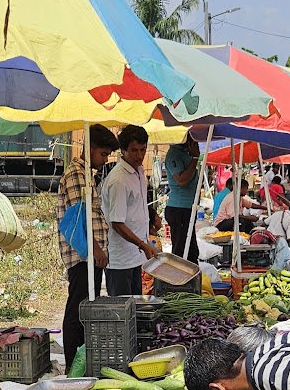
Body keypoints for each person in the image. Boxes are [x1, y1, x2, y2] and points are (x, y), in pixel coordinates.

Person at [57, 124, 118, 371]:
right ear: (90, 148)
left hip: (91, 255)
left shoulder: (87, 174)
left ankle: (82, 363)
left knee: (85, 310)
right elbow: (78, 217)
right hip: (83, 255)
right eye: (103, 154)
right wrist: (96, 250)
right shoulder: (76, 174)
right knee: (77, 311)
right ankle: (73, 366)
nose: (105, 160)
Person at [100, 124, 160, 295]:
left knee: (135, 306)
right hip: (120, 260)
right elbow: (117, 223)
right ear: (123, 150)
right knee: (122, 308)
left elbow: (137, 207)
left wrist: (151, 221)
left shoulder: (139, 171)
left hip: (136, 256)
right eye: (134, 150)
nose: (139, 156)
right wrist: (142, 244)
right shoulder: (118, 180)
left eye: (142, 150)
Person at [164, 132, 201, 261]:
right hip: (179, 209)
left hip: (188, 209)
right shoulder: (174, 154)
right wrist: (195, 158)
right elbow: (181, 180)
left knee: (191, 251)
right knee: (180, 251)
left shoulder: (186, 153)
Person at [266, 193, 290, 269]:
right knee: (282, 263)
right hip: (280, 243)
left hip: (269, 240)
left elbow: (265, 222)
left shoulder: (277, 213)